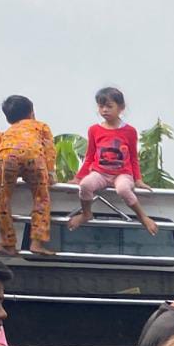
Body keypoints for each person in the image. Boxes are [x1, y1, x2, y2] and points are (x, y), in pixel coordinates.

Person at [68, 86, 157, 236]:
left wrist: (138, 179)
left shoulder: (129, 131)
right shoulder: (94, 130)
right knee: (85, 185)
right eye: (101, 106)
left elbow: (134, 158)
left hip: (122, 174)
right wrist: (78, 178)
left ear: (121, 108)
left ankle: (143, 217)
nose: (104, 110)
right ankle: (86, 213)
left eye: (109, 106)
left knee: (123, 189)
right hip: (100, 173)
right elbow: (90, 156)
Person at [0, 94, 56, 257]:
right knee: (41, 198)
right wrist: (50, 173)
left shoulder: (5, 133)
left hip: (6, 157)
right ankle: (36, 243)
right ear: (32, 113)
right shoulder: (40, 126)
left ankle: (8, 243)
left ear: (8, 119)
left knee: (1, 199)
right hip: (33, 157)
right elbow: (49, 148)